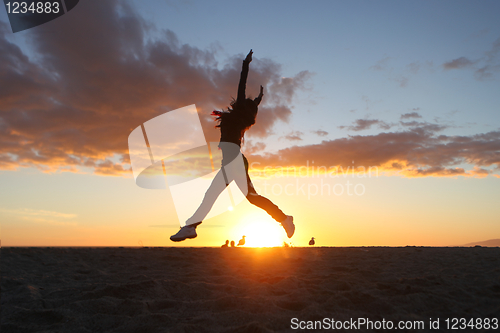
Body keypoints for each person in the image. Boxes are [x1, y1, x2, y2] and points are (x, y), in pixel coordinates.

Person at [170, 50, 295, 242]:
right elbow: (249, 101)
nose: (241, 100)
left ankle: (284, 218)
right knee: (233, 196)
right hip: (231, 162)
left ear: (242, 109)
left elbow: (241, 86)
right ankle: (190, 227)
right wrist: (259, 99)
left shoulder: (237, 118)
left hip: (234, 161)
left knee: (244, 197)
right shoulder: (239, 119)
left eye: (244, 102)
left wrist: (245, 65)